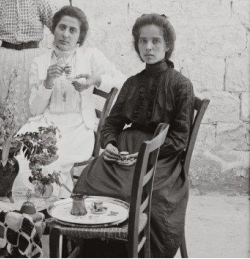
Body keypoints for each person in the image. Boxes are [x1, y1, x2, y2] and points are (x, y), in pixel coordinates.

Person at [74, 13, 195, 258]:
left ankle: (134, 252)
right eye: (142, 41)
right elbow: (111, 124)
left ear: (168, 45)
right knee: (89, 181)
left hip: (161, 158)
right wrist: (109, 144)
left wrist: (145, 154)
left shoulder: (181, 85)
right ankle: (97, 250)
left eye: (156, 41)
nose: (148, 47)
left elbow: (180, 138)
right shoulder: (132, 82)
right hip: (124, 153)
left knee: (132, 194)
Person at [13, 5, 126, 198]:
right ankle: (28, 211)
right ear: (54, 29)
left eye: (72, 30)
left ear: (80, 37)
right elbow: (35, 110)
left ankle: (53, 211)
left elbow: (124, 82)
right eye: (61, 27)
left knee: (51, 163)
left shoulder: (90, 56)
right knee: (20, 157)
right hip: (46, 123)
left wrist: (96, 80)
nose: (65, 34)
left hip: (78, 126)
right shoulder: (39, 62)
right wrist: (47, 83)